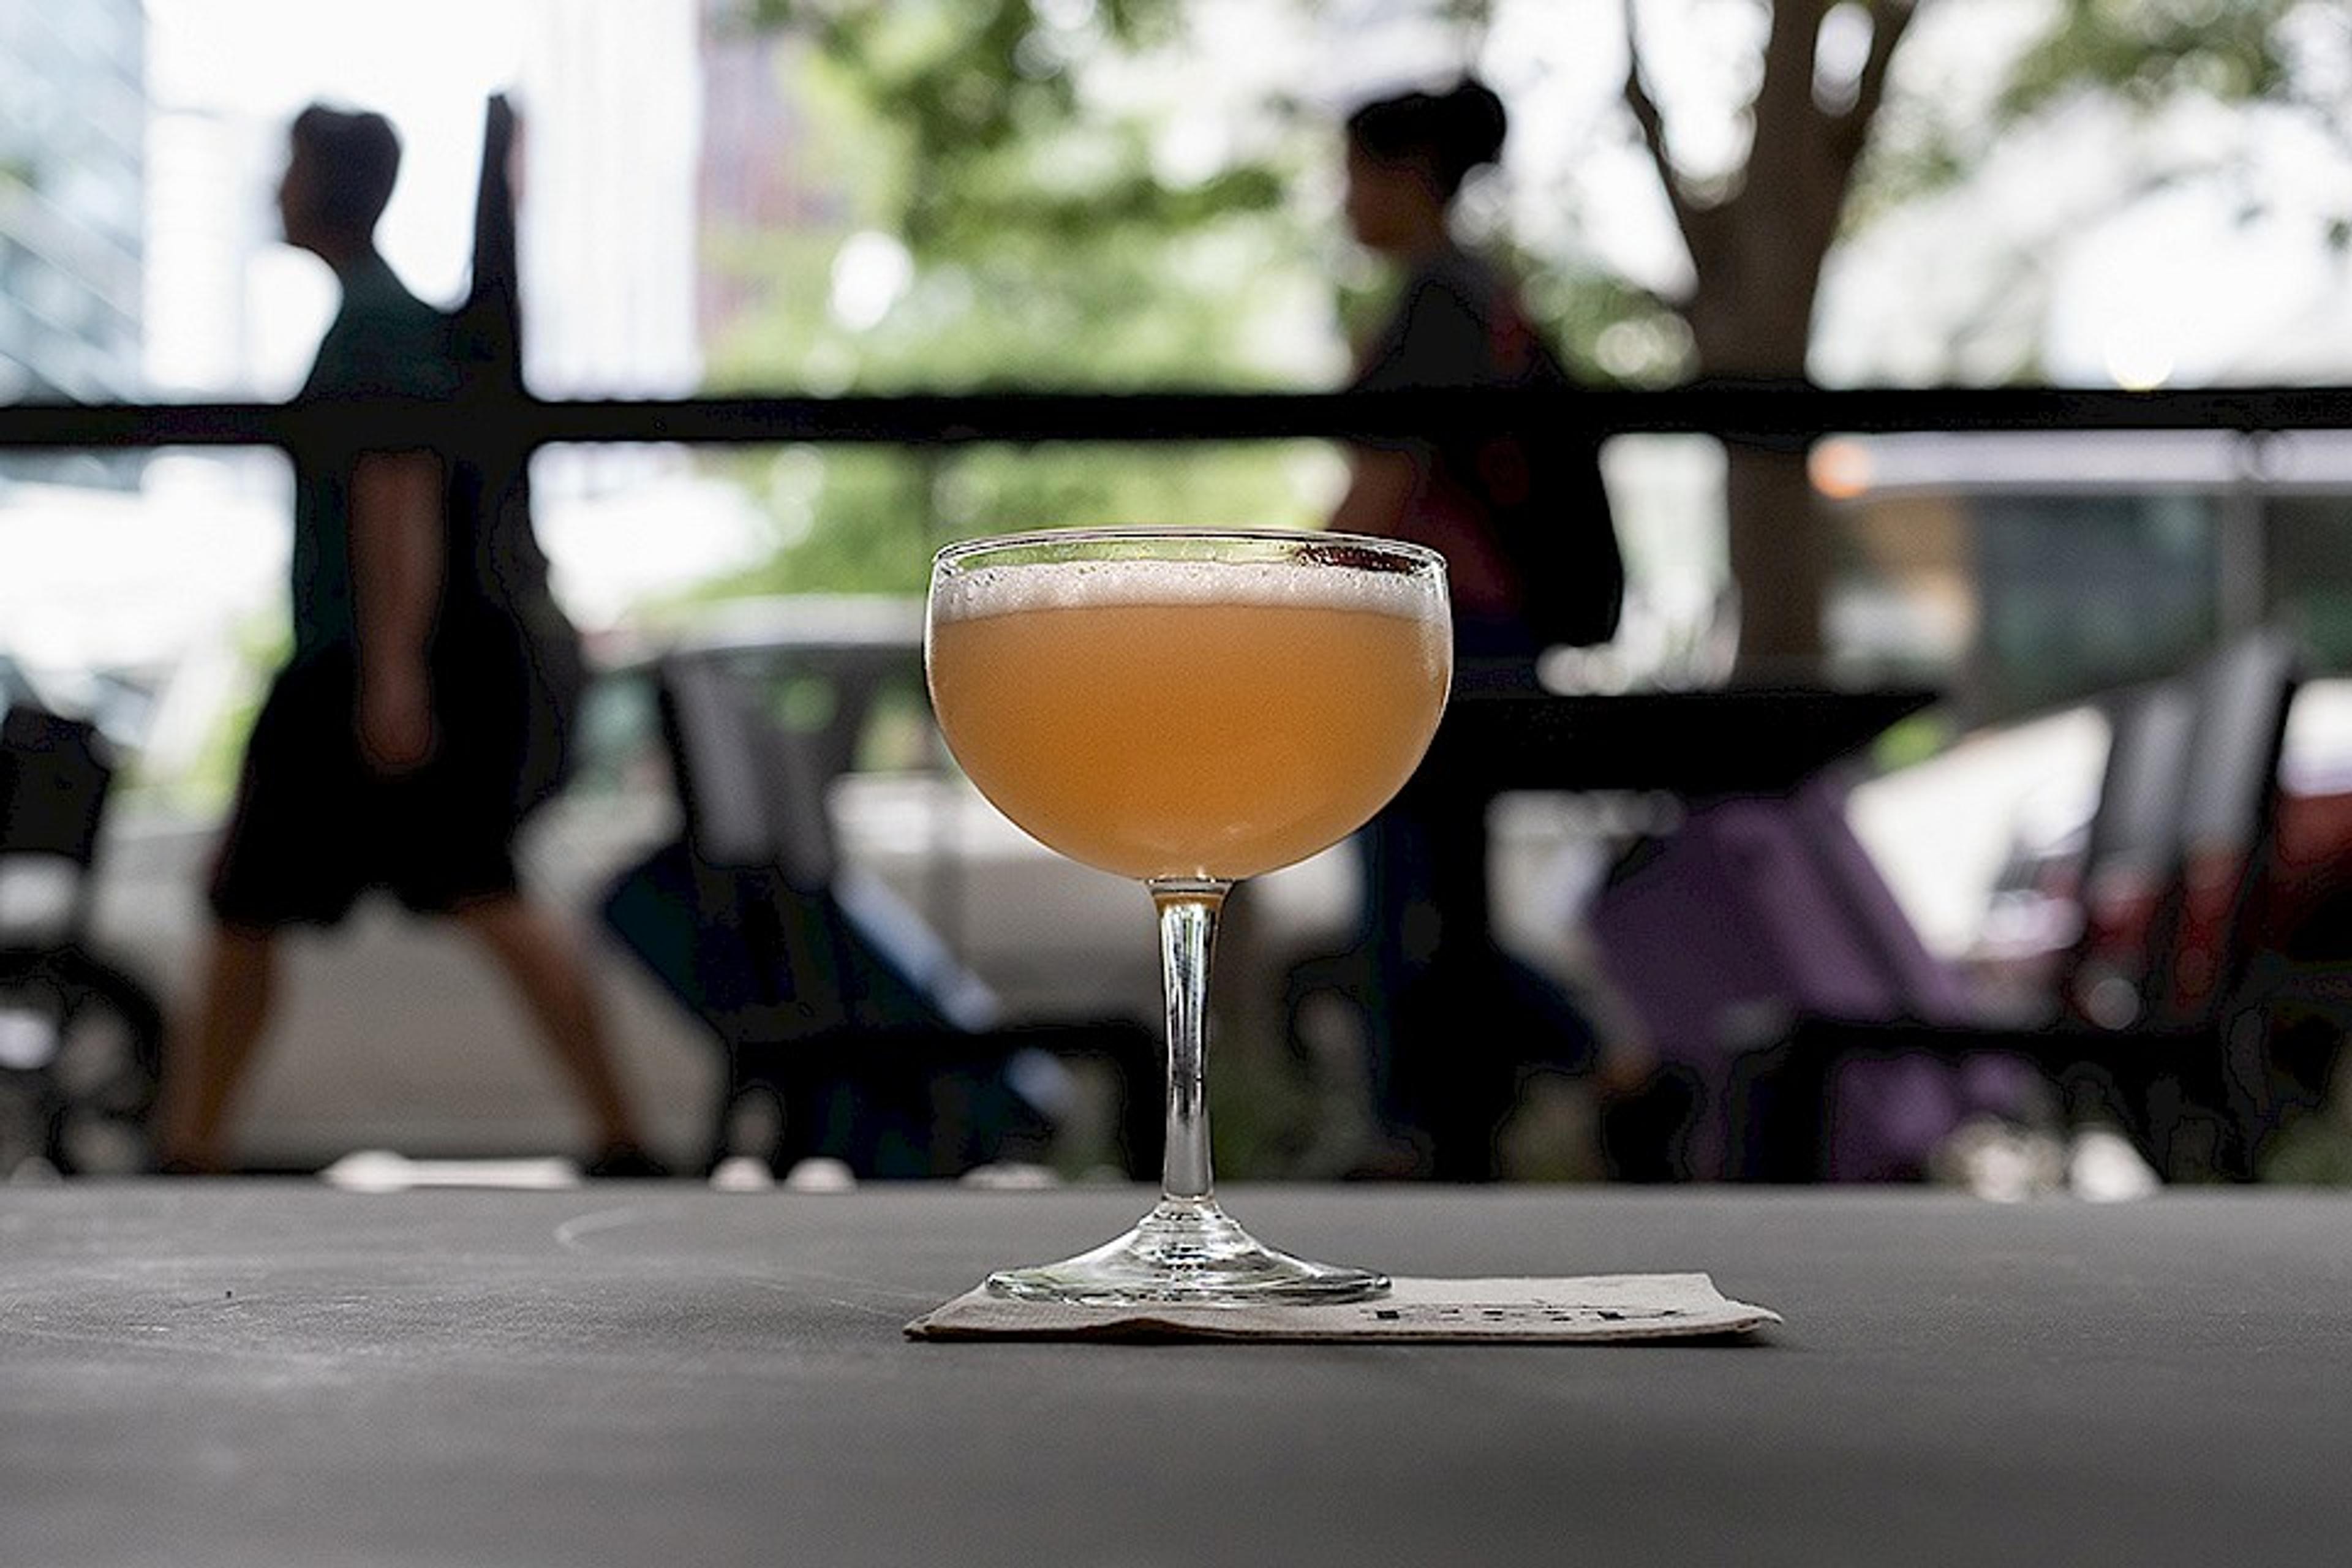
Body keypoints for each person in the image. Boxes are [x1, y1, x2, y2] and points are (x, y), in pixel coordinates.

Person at [153, 104, 660, 1176]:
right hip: (370, 668)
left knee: (318, 904)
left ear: (326, 184)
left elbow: (398, 495)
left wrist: (390, 675)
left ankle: (189, 1152)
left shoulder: (376, 328)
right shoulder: (375, 319)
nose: (270, 188)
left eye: (287, 165)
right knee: (412, 898)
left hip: (361, 670)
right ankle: (621, 1133)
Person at [1322, 79, 1637, 1178]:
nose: (1343, 197)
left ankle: (1427, 1123)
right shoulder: (1486, 297)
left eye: (1355, 171)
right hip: (1487, 633)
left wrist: (1283, 594)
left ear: (1409, 177)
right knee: (1438, 894)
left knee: (1404, 895)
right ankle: (1568, 1076)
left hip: (1438, 635)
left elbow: (1384, 483)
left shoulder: (1438, 302)